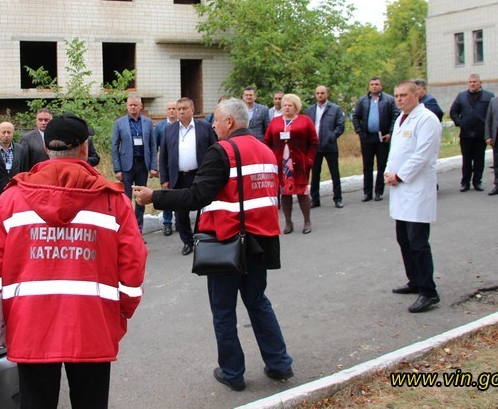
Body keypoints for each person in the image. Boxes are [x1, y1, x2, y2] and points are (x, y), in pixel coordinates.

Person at [0, 113, 147, 409]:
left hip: (29, 324)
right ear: (84, 148)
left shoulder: (11, 199)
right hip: (92, 322)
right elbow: (133, 264)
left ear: (46, 148)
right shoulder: (113, 200)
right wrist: (122, 312)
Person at [134, 98, 293, 392]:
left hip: (228, 242)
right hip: (262, 242)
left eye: (217, 121)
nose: (214, 126)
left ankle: (233, 372)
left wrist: (153, 197)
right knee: (258, 303)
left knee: (223, 311)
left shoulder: (222, 151)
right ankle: (279, 363)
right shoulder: (266, 152)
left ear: (230, 122)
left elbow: (196, 196)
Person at [384, 81, 442, 314]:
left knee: (418, 243)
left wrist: (400, 175)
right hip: (400, 188)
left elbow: (423, 155)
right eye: (396, 95)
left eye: (404, 95)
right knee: (404, 239)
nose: (399, 99)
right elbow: (396, 151)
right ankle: (415, 280)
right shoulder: (401, 119)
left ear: (416, 95)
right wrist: (389, 173)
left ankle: (429, 291)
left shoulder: (427, 119)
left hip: (416, 188)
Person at [159, 97, 217, 254]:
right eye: (179, 109)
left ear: (192, 109)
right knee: (180, 213)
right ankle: (188, 241)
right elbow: (163, 156)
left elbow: (215, 150)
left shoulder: (204, 128)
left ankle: (201, 238)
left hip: (199, 176)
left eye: (185, 108)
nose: (181, 111)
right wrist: (164, 179)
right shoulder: (169, 130)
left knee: (203, 209)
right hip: (178, 177)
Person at [264, 93, 318, 234]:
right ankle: (288, 222)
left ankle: (307, 221)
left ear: (296, 108)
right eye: (284, 105)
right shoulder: (275, 122)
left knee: (302, 192)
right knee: (285, 193)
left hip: (299, 164)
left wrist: (309, 159)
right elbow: (267, 141)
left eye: (290, 105)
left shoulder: (305, 120)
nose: (286, 108)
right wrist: (270, 159)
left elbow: (313, 142)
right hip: (281, 164)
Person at [111, 96, 158, 234]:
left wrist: (153, 166)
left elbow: (153, 145)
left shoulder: (148, 122)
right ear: (127, 106)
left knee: (140, 198)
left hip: (142, 165)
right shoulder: (119, 123)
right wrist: (117, 169)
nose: (133, 107)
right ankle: (126, 229)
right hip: (126, 167)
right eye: (130, 105)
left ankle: (138, 229)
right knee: (126, 199)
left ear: (140, 106)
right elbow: (114, 146)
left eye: (135, 105)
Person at [352, 77, 399, 202]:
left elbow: (396, 116)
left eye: (376, 84)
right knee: (367, 166)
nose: (374, 86)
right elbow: (355, 117)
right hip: (367, 137)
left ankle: (379, 191)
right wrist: (359, 131)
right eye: (372, 84)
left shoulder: (389, 100)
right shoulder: (362, 100)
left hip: (382, 137)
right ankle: (367, 193)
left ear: (381, 86)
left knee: (381, 165)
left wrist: (390, 133)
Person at [449, 74, 494, 192]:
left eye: (474, 82)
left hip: (481, 133)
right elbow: (453, 111)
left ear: (480, 82)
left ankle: (477, 182)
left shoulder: (489, 96)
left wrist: (489, 129)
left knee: (479, 159)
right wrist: (459, 122)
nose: (472, 84)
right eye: (470, 82)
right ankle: (465, 182)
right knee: (467, 159)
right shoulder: (461, 96)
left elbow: (493, 113)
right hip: (466, 134)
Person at [305, 86, 346, 209]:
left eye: (322, 93)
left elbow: (340, 126)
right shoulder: (310, 110)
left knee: (334, 173)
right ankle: (315, 199)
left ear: (327, 94)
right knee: (315, 174)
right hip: (315, 147)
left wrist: (331, 137)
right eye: (317, 93)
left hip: (330, 146)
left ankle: (338, 199)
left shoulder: (335, 109)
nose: (320, 95)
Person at [0, 122, 29, 207]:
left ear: (13, 133)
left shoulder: (20, 149)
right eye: (3, 132)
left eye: (9, 132)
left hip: (15, 190)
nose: (6, 135)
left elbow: (23, 169)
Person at [154, 101, 179, 236]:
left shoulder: (182, 125)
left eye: (174, 108)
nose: (171, 111)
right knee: (166, 193)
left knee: (179, 193)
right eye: (169, 109)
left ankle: (179, 222)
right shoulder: (160, 127)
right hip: (166, 166)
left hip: (179, 166)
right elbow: (155, 146)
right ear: (166, 111)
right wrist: (156, 166)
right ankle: (167, 223)